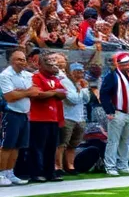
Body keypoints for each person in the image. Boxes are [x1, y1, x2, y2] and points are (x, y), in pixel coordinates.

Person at [100, 52, 129, 176]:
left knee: (127, 140)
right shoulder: (112, 77)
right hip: (118, 112)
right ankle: (110, 166)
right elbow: (104, 94)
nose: (128, 66)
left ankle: (123, 164)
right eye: (125, 64)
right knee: (113, 141)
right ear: (119, 65)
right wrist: (109, 110)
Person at [27, 49, 66, 182]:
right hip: (38, 118)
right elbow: (38, 94)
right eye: (50, 65)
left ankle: (50, 172)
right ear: (40, 65)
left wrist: (51, 92)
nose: (54, 67)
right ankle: (37, 172)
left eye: (55, 64)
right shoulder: (36, 77)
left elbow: (63, 94)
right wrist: (54, 92)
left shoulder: (54, 79)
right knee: (38, 147)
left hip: (53, 118)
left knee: (51, 147)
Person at [0, 49, 34, 186]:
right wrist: (27, 92)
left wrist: (21, 92)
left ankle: (10, 171)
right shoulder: (5, 75)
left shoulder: (27, 75)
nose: (22, 62)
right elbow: (9, 96)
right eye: (19, 59)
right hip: (11, 113)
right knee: (7, 145)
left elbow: (36, 91)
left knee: (17, 146)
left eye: (24, 59)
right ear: (11, 61)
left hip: (24, 113)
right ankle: (1, 172)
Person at [59, 61, 89, 175]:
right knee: (63, 144)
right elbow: (73, 100)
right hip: (68, 117)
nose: (80, 74)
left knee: (73, 144)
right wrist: (82, 90)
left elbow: (87, 99)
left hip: (79, 117)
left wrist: (84, 89)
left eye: (81, 72)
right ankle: (59, 166)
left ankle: (70, 166)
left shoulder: (80, 83)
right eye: (77, 71)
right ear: (70, 72)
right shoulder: (65, 82)